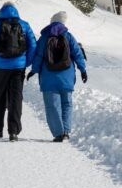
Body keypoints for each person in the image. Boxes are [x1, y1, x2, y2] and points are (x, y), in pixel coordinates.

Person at [28, 11, 87, 142]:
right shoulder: (68, 36)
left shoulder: (44, 38)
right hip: (66, 76)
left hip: (48, 78)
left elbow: (38, 56)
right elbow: (77, 54)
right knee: (67, 104)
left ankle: (58, 133)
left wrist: (34, 70)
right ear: (63, 22)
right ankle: (66, 131)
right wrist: (83, 70)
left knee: (52, 106)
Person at [0, 1, 37, 142]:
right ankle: (13, 131)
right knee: (15, 98)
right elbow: (33, 45)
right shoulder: (24, 25)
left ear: (1, 11)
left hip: (0, 67)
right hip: (18, 67)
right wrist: (27, 62)